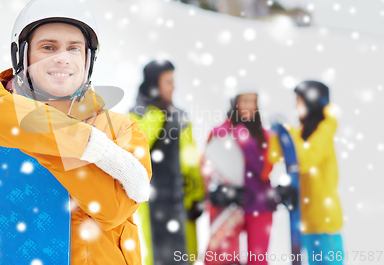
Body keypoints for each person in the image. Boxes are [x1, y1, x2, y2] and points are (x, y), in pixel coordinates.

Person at [0, 0, 152, 265]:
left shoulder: (122, 128)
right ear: (21, 55)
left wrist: (19, 134)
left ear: (88, 59)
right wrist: (85, 144)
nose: (63, 59)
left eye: (74, 49)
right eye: (48, 47)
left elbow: (112, 207)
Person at [129, 60, 205, 265]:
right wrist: (158, 114)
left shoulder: (181, 117)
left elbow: (190, 160)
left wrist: (197, 196)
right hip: (154, 203)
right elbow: (136, 150)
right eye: (168, 81)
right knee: (159, 258)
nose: (174, 86)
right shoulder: (137, 115)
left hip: (181, 199)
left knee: (186, 256)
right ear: (154, 85)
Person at [202, 86, 281, 265]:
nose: (249, 106)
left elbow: (264, 170)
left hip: (260, 206)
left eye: (253, 101)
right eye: (245, 101)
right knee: (224, 259)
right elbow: (210, 160)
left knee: (258, 260)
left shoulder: (266, 136)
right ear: (235, 103)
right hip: (230, 206)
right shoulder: (221, 133)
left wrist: (246, 142)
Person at [287, 81, 344, 265]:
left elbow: (305, 160)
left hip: (324, 221)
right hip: (307, 219)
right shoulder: (302, 131)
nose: (296, 106)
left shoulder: (324, 130)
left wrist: (287, 134)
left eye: (299, 101)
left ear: (312, 102)